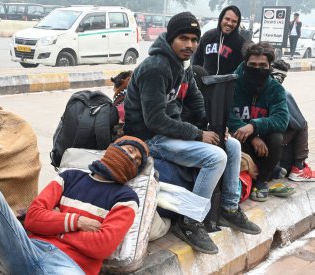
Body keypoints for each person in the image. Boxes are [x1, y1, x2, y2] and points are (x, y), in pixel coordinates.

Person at [124, 11, 260, 255]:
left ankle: (229, 209)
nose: (190, 45)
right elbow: (154, 120)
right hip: (148, 138)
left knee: (232, 146)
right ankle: (190, 221)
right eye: (183, 38)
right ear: (171, 38)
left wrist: (215, 127)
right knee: (215, 157)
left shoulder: (182, 65)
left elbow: (197, 103)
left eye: (194, 40)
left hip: (169, 133)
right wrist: (198, 135)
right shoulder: (156, 68)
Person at [0, 136, 149, 275]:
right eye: (130, 150)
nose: (132, 158)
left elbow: (102, 245)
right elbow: (33, 218)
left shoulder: (126, 198)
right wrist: (76, 221)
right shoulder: (69, 177)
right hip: (28, 250)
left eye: (137, 161)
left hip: (69, 266)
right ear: (114, 147)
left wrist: (55, 226)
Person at [227, 42, 289, 202]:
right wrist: (251, 135)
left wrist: (254, 126)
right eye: (252, 64)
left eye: (263, 65)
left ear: (269, 66)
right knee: (236, 137)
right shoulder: (231, 84)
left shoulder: (276, 89)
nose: (257, 69)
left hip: (265, 144)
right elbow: (224, 115)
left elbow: (281, 119)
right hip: (240, 141)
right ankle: (259, 174)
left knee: (277, 138)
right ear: (245, 63)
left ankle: (262, 180)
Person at [271, 60, 315, 181]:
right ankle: (298, 168)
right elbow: (300, 123)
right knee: (302, 124)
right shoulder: (281, 92)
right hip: (264, 139)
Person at [192, 5, 245, 75]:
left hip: (229, 84)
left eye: (234, 21)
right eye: (227, 19)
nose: (229, 23)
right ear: (221, 19)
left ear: (237, 24)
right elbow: (197, 62)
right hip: (206, 83)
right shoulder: (207, 36)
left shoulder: (241, 43)